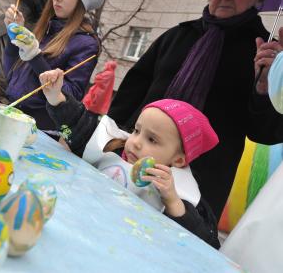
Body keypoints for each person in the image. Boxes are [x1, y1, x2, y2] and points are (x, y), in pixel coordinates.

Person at [107, 0, 283, 218]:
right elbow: (127, 98)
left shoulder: (264, 54)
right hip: (132, 161)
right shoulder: (177, 36)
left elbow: (266, 133)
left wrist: (265, 86)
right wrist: (110, 143)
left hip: (198, 187)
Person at [39, 68, 221, 248]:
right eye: (136, 130)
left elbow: (207, 243)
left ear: (179, 160)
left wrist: (173, 202)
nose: (135, 142)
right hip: (76, 227)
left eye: (152, 139)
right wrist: (56, 97)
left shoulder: (181, 191)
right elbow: (78, 125)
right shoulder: (114, 148)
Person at [2, 0, 104, 133]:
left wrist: (35, 57)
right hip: (12, 114)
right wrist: (14, 36)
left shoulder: (87, 44)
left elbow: (70, 96)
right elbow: (10, 74)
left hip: (40, 131)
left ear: (82, 1)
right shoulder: (47, 27)